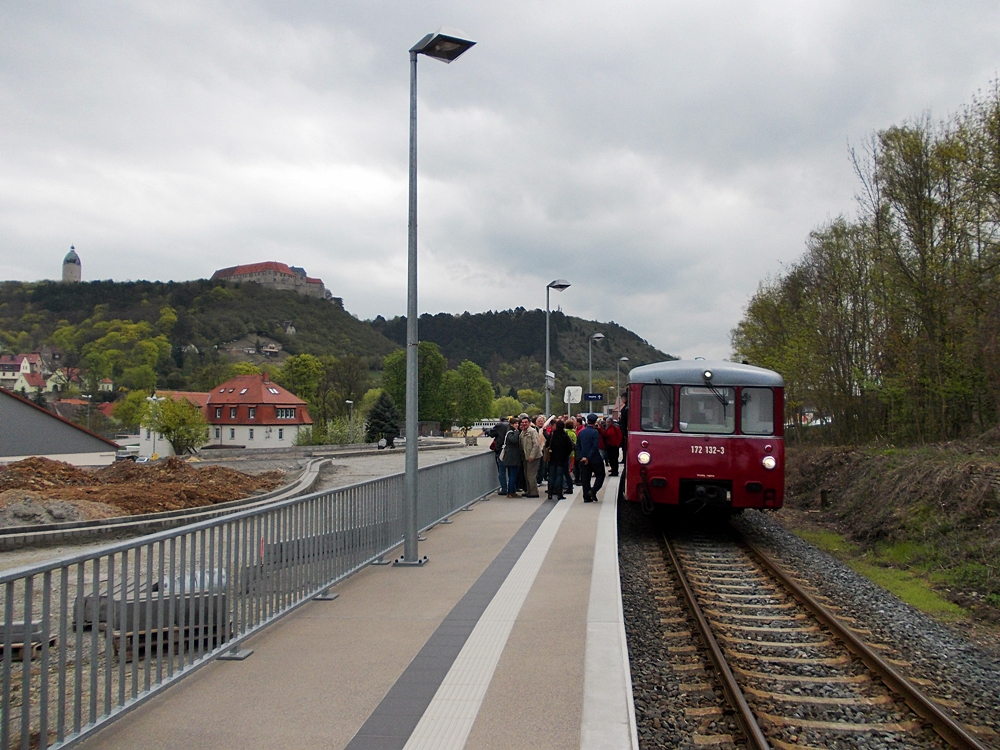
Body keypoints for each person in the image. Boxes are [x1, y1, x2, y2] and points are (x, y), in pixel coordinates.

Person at [577, 413, 606, 502]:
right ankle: (593, 491)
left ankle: (586, 497)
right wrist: (588, 458)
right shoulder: (595, 432)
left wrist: (582, 457)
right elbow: (594, 447)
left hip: (583, 459)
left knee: (585, 479)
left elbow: (578, 446)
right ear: (595, 422)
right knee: (601, 475)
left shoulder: (581, 432)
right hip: (595, 459)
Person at [546, 420, 574, 500]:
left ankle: (550, 493)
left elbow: (547, 445)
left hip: (552, 458)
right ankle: (559, 494)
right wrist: (565, 455)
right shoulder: (565, 436)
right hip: (562, 460)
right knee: (559, 476)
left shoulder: (552, 435)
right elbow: (570, 448)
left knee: (551, 476)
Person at [519, 415, 542, 497]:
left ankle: (534, 492)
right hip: (526, 457)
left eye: (526, 422)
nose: (524, 424)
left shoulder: (532, 431)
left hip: (533, 457)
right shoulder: (522, 432)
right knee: (526, 474)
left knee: (531, 475)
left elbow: (536, 444)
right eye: (523, 422)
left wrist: (532, 456)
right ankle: (529, 491)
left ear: (529, 423)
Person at [488, 416, 511, 495]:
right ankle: (512, 488)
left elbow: (491, 433)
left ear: (500, 420)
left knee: (502, 471)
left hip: (501, 450)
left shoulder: (499, 425)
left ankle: (504, 489)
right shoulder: (510, 425)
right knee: (511, 471)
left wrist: (487, 431)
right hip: (511, 450)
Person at [500, 420, 522, 497]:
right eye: (515, 423)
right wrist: (517, 432)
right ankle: (511, 492)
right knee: (513, 475)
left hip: (510, 457)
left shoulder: (509, 431)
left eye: (517, 423)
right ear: (511, 424)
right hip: (512, 457)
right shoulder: (510, 432)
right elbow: (514, 440)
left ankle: (511, 491)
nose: (517, 425)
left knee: (511, 474)